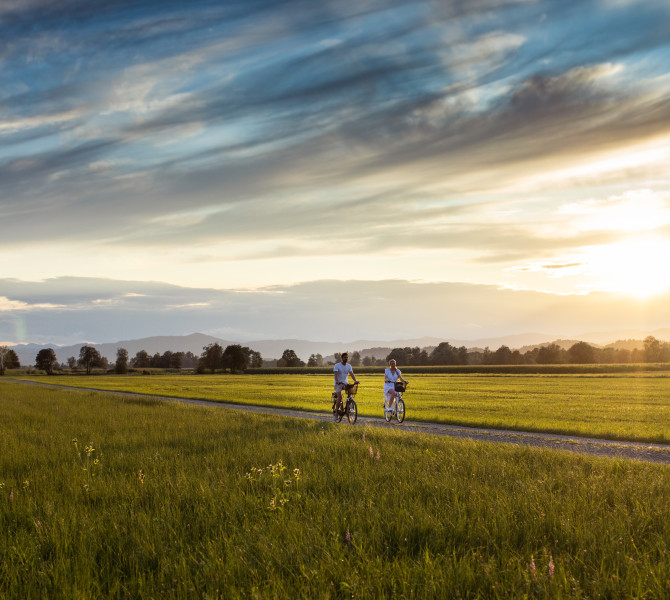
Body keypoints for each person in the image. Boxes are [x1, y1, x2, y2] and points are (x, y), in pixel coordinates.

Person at [333, 352, 358, 418]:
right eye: (345, 357)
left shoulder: (349, 366)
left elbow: (351, 374)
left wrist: (355, 381)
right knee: (340, 397)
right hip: (338, 383)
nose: (346, 358)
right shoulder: (337, 365)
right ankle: (336, 412)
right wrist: (337, 381)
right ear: (342, 358)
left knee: (350, 393)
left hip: (345, 383)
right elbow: (335, 375)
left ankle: (347, 409)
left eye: (347, 357)